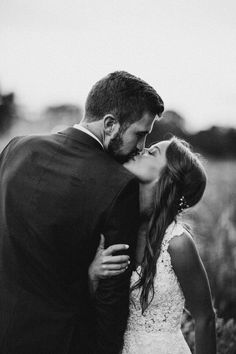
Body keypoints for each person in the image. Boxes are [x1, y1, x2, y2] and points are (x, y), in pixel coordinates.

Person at [0, 71, 164, 354]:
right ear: (110, 124)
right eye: (140, 134)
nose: (142, 147)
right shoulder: (119, 184)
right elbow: (112, 296)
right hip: (62, 341)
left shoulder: (16, 148)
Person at [89, 137, 216, 354]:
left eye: (152, 152)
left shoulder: (178, 243)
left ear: (166, 177)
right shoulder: (118, 225)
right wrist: (93, 273)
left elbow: (205, 318)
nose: (141, 149)